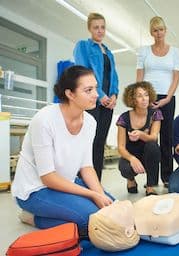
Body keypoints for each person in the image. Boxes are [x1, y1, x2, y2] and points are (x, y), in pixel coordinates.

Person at [11, 66, 114, 238]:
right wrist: (92, 194)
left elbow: (86, 166)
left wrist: (100, 195)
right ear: (70, 94)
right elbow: (48, 177)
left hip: (66, 182)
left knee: (111, 208)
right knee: (91, 221)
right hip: (35, 190)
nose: (96, 94)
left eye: (95, 88)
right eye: (88, 90)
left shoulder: (90, 122)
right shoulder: (44, 120)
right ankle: (33, 218)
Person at [136, 16, 179, 188]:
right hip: (147, 98)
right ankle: (151, 178)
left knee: (167, 138)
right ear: (151, 32)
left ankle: (167, 176)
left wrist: (168, 98)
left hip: (167, 98)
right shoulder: (143, 51)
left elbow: (176, 77)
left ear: (165, 30)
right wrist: (140, 97)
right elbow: (139, 76)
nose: (159, 33)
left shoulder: (175, 52)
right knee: (149, 138)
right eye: (155, 30)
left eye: (161, 29)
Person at [74, 13, 119, 181]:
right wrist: (99, 95)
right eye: (96, 27)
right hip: (91, 101)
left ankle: (96, 183)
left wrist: (114, 94)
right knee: (87, 143)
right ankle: (82, 183)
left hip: (108, 103)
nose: (100, 31)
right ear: (89, 29)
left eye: (102, 27)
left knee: (100, 142)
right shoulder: (83, 46)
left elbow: (113, 76)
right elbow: (83, 72)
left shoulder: (109, 52)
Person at [88, 193, 179, 251]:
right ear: (128, 231)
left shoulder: (137, 210)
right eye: (111, 213)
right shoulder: (156, 223)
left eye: (106, 209)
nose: (113, 205)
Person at [116, 81, 162, 196]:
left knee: (153, 146)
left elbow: (153, 138)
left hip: (147, 153)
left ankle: (150, 186)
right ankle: (131, 180)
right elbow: (121, 148)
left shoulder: (155, 114)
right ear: (133, 99)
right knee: (125, 168)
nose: (144, 99)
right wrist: (132, 159)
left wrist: (141, 134)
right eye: (139, 96)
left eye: (146, 95)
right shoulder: (124, 117)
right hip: (130, 154)